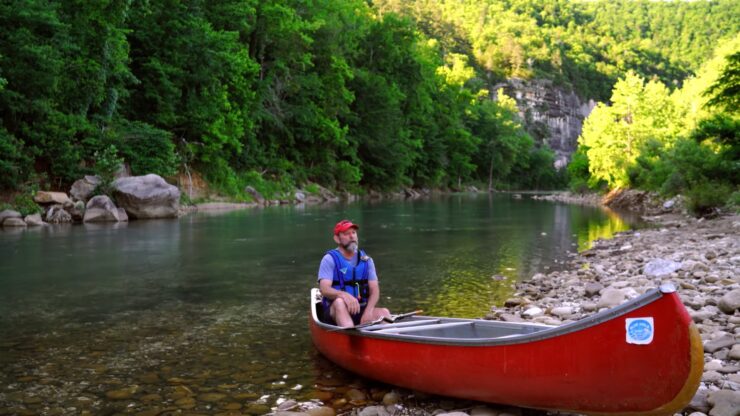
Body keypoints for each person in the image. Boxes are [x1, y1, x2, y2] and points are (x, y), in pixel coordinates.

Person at [318, 220, 391, 327]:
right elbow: (324, 289)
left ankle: (393, 341)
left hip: (361, 310)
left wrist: (368, 311)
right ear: (337, 239)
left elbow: (374, 290)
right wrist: (343, 295)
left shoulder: (367, 260)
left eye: (354, 233)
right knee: (339, 302)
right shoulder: (329, 259)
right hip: (336, 312)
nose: (352, 236)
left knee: (384, 313)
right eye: (347, 234)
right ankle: (350, 335)